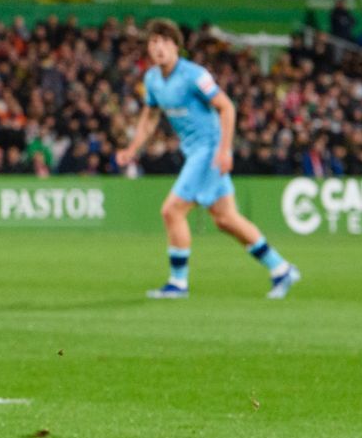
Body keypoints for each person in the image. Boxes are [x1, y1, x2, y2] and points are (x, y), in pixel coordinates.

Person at [115, 19, 300, 299]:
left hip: (209, 150)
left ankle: (178, 284)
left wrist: (224, 150)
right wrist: (132, 149)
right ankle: (281, 269)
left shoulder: (194, 75)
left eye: (165, 42)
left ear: (176, 46)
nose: (159, 48)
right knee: (225, 219)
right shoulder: (152, 79)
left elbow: (226, 107)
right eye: (153, 42)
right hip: (194, 151)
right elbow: (150, 117)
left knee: (172, 211)